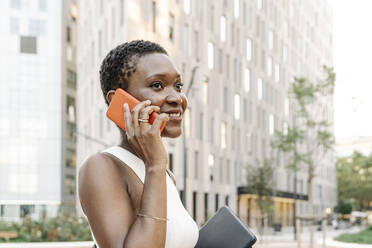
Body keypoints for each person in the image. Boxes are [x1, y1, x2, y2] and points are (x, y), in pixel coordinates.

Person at [78, 40, 199, 248]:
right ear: (120, 100)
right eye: (157, 85)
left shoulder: (166, 176)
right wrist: (155, 165)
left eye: (178, 86)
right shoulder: (100, 167)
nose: (177, 98)